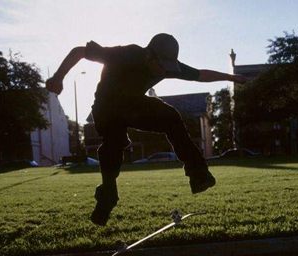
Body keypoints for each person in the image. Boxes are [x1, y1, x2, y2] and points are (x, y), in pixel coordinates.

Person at [46, 33, 247, 226]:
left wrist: (231, 77)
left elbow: (200, 74)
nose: (163, 72)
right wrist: (58, 77)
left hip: (134, 105)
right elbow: (80, 51)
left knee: (171, 117)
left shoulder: (168, 66)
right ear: (149, 55)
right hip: (106, 107)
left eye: (167, 68)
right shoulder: (128, 54)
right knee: (114, 143)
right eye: (160, 66)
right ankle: (107, 196)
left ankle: (198, 174)